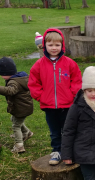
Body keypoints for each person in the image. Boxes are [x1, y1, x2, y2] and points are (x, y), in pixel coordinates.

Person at [28, 29, 82, 165]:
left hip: (67, 105)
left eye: (57, 45)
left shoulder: (69, 63)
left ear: (62, 46)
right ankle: (57, 151)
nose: (54, 48)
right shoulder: (39, 65)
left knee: (68, 129)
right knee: (54, 131)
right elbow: (33, 83)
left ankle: (69, 151)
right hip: (49, 105)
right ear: (45, 45)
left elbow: (76, 80)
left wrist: (73, 95)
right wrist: (41, 96)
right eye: (50, 45)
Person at [0, 57, 34, 153]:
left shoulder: (14, 82)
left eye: (2, 74)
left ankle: (19, 146)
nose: (1, 76)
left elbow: (10, 91)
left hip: (21, 108)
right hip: (24, 107)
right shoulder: (20, 78)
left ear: (6, 73)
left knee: (16, 125)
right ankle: (27, 133)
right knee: (15, 120)